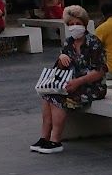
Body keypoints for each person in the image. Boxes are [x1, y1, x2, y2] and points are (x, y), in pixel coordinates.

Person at [31, 21, 106, 153]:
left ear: (85, 23)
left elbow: (100, 72)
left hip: (92, 87)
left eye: (77, 22)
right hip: (71, 83)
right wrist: (61, 58)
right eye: (71, 23)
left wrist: (78, 81)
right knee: (47, 95)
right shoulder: (68, 42)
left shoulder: (94, 43)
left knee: (58, 99)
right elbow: (60, 69)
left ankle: (55, 140)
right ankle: (44, 137)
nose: (74, 26)